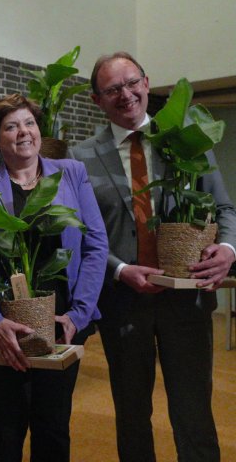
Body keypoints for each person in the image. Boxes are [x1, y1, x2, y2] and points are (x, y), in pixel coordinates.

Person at [69, 52, 236, 462]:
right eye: (112, 90)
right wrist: (120, 270)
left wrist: (229, 249)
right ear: (96, 100)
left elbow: (225, 209)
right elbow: (76, 235)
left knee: (194, 410)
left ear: (146, 83)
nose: (125, 95)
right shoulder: (78, 158)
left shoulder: (186, 138)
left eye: (131, 83)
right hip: (123, 304)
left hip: (188, 299)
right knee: (131, 414)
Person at [0, 94, 108, 461]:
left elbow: (96, 244)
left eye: (28, 123)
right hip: (6, 329)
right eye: (11, 127)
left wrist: (79, 315)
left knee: (52, 429)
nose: (23, 133)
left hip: (62, 322)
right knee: (2, 433)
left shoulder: (71, 173)